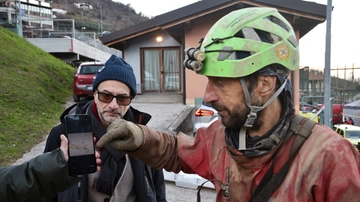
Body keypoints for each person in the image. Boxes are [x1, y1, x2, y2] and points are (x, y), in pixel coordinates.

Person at [96, 7, 360, 202]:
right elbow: (178, 150)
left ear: (264, 85)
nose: (208, 96)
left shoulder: (329, 158)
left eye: (221, 83)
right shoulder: (223, 138)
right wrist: (139, 137)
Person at [44, 54, 167, 202]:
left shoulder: (144, 136)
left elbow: (158, 188)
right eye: (106, 96)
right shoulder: (64, 134)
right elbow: (46, 190)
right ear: (95, 95)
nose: (114, 105)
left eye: (122, 98)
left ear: (130, 101)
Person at [1, 135, 101, 202]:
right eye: (105, 100)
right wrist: (58, 164)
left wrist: (57, 164)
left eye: (117, 101)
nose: (113, 105)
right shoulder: (59, 131)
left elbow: (8, 187)